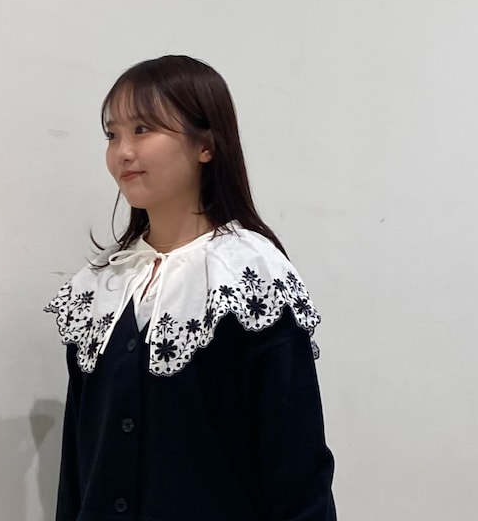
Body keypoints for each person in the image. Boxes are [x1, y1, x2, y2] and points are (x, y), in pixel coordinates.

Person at [44, 55, 336, 521]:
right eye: (112, 134)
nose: (123, 151)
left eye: (143, 129)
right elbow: (77, 468)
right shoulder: (102, 286)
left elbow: (297, 472)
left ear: (206, 145)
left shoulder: (251, 280)